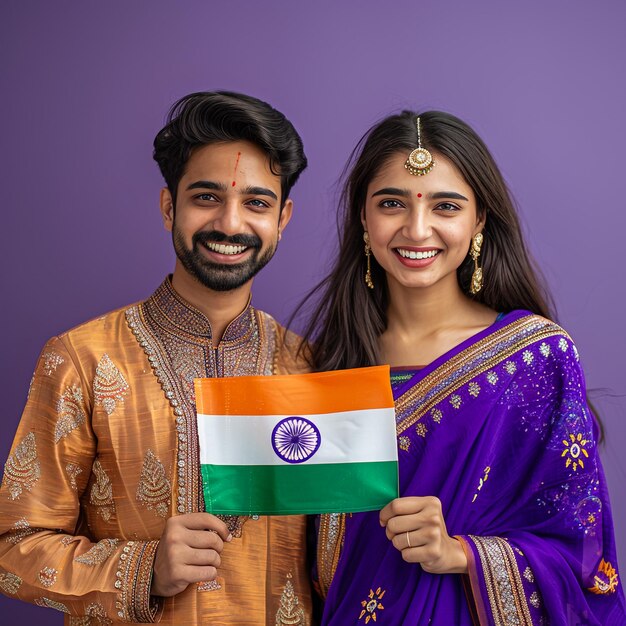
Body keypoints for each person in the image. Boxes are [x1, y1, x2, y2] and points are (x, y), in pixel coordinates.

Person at [298, 111, 625, 624]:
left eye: (446, 206)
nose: (417, 228)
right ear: (364, 218)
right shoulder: (323, 364)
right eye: (391, 204)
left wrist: (461, 553)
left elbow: (586, 561)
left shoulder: (533, 360)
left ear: (479, 222)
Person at [0, 91, 313, 625]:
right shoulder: (82, 360)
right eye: (206, 197)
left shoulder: (311, 368)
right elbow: (13, 549)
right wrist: (144, 569)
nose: (230, 224)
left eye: (257, 203)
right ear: (169, 205)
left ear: (282, 218)